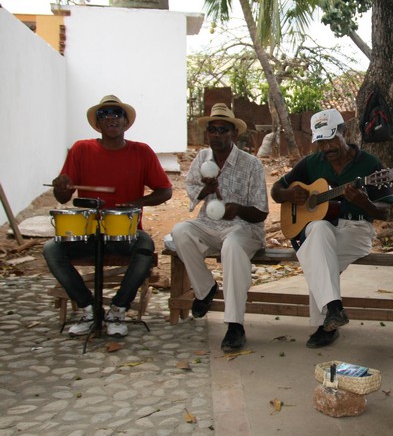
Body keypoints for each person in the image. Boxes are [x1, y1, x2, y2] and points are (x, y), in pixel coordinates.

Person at [44, 95, 173, 337]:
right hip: (88, 234)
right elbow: (63, 198)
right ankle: (89, 308)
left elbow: (165, 191)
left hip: (125, 233)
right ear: (97, 124)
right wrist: (60, 189)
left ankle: (118, 308)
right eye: (104, 114)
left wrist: (136, 203)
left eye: (117, 113)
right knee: (52, 249)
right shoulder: (81, 149)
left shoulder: (142, 152)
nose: (111, 117)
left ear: (126, 123)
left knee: (145, 247)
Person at [271, 109, 393, 349]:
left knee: (316, 257)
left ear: (343, 132)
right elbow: (276, 190)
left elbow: (386, 211)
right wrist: (287, 193)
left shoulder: (370, 165)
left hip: (356, 230)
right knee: (318, 230)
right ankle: (333, 312)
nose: (326, 148)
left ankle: (325, 321)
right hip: (321, 230)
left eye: (331, 139)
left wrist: (364, 202)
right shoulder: (311, 163)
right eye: (321, 142)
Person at [170, 103, 268, 351]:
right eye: (212, 130)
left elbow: (260, 212)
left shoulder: (251, 164)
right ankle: (205, 289)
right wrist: (207, 189)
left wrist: (238, 209)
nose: (216, 135)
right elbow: (192, 192)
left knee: (232, 247)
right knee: (180, 231)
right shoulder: (202, 158)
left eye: (222, 129)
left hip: (244, 229)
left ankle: (235, 324)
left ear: (234, 134)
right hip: (209, 225)